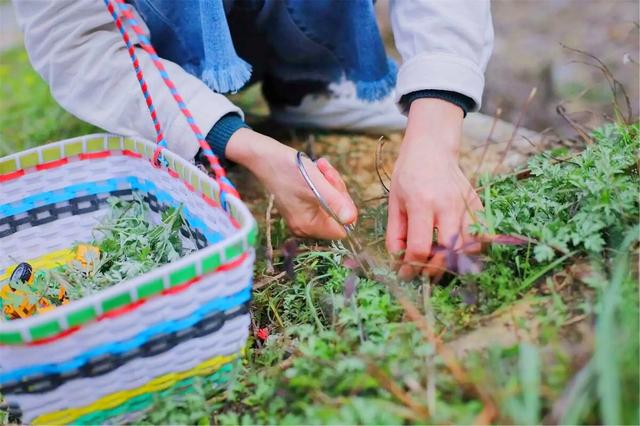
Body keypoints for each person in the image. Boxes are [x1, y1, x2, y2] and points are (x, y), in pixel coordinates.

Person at [14, 0, 493, 279]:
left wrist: (433, 128)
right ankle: (192, 99)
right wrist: (242, 143)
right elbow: (73, 38)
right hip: (163, 43)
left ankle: (307, 75)